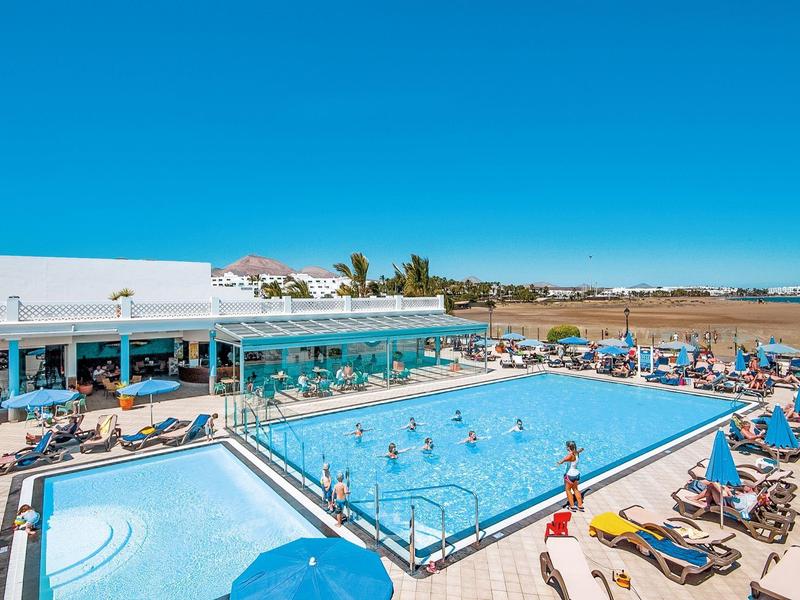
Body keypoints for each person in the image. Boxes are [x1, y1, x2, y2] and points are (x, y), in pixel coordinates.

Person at [556, 441, 584, 512]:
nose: (565, 447)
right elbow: (578, 451)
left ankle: (572, 506)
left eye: (566, 446)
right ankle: (580, 505)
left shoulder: (570, 455)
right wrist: (581, 449)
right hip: (577, 474)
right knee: (576, 489)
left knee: (568, 490)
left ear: (568, 447)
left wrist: (559, 462)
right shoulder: (576, 453)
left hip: (570, 475)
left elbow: (564, 459)